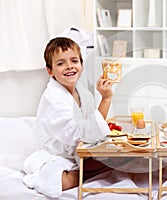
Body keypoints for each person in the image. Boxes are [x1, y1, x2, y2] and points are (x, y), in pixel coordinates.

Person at [22, 37, 113, 198]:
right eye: (60, 63)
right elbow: (83, 133)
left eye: (74, 60)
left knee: (120, 156)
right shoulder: (54, 98)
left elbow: (90, 123)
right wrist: (106, 99)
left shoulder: (81, 91)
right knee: (58, 182)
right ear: (50, 71)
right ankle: (87, 173)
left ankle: (97, 167)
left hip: (78, 150)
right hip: (56, 153)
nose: (69, 66)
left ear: (81, 64)